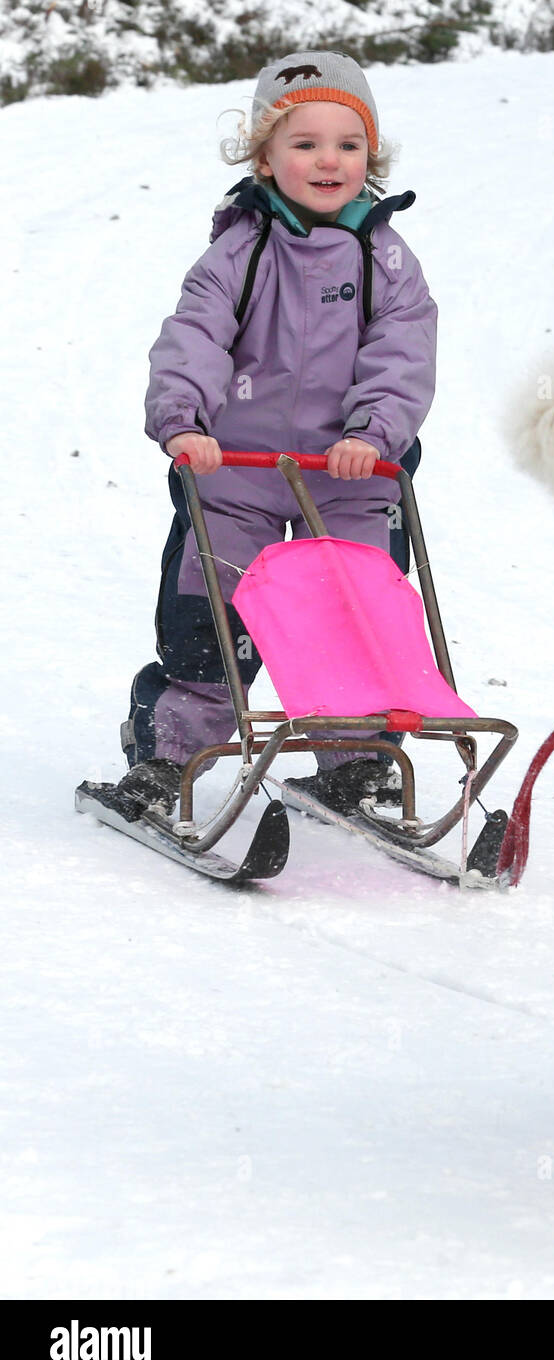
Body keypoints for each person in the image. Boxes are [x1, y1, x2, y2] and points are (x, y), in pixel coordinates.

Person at [116, 49, 437, 818]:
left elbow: (403, 352)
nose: (328, 160)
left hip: (351, 474)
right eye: (304, 143)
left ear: (371, 156)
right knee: (210, 621)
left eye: (348, 144)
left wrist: (375, 431)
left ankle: (357, 760)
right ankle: (172, 758)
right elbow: (194, 334)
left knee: (352, 617)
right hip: (235, 471)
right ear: (264, 156)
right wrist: (183, 423)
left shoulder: (385, 259)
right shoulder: (239, 250)